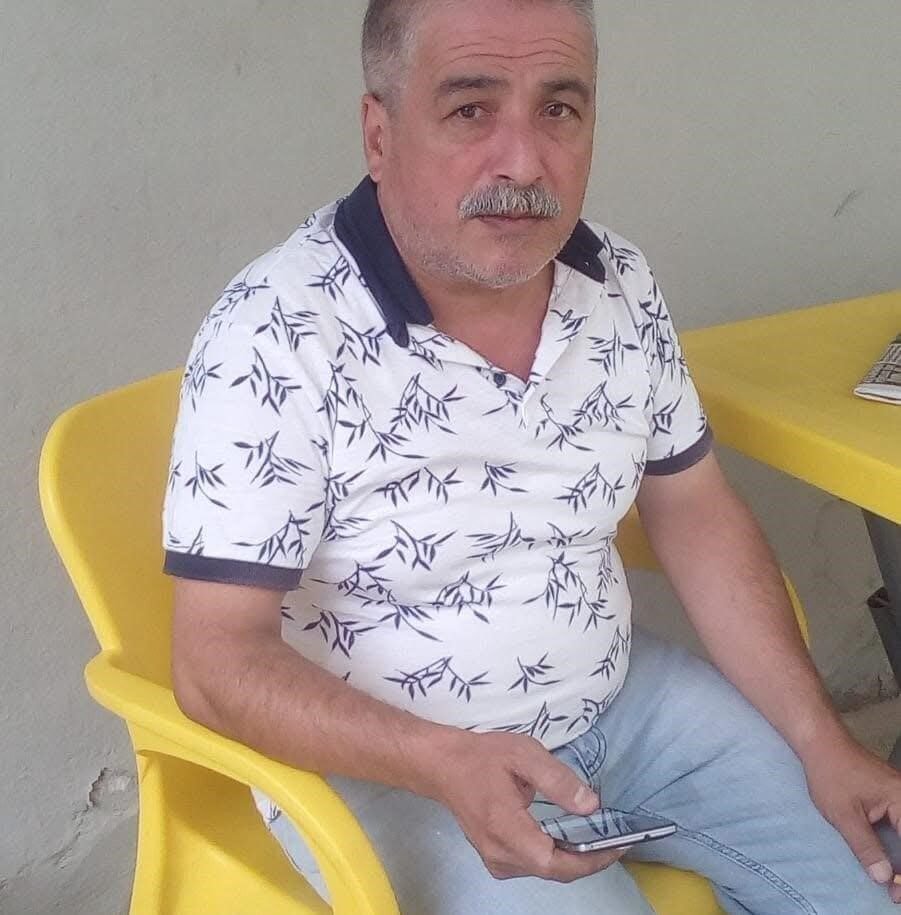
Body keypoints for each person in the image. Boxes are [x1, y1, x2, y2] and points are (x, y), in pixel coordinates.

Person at [162, 1, 901, 911]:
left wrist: (822, 739)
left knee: (878, 872)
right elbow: (214, 660)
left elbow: (694, 509)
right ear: (379, 134)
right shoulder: (277, 330)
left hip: (623, 705)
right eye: (469, 109)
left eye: (558, 108)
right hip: (394, 764)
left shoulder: (617, 280)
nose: (522, 162)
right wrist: (438, 758)